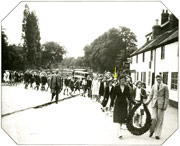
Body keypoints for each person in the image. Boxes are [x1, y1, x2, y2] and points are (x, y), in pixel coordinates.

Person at [145, 75, 169, 140]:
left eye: (159, 79)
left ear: (161, 79)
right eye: (157, 79)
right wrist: (147, 102)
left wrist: (165, 105)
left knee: (160, 119)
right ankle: (151, 130)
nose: (158, 80)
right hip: (154, 104)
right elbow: (151, 95)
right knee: (154, 118)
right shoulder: (154, 86)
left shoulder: (165, 86)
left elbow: (166, 97)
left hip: (161, 105)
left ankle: (157, 134)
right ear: (156, 79)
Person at [112, 75, 136, 139]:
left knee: (122, 119)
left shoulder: (126, 88)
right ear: (119, 81)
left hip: (124, 105)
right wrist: (111, 105)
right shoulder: (116, 87)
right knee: (117, 118)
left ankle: (118, 131)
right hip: (117, 104)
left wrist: (134, 102)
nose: (123, 81)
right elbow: (113, 97)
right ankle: (119, 132)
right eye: (121, 80)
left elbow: (129, 97)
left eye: (124, 80)